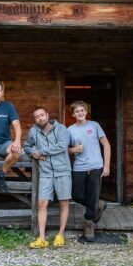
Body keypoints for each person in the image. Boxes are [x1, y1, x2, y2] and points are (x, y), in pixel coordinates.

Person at [24, 107, 72, 248]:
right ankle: (42, 238)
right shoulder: (34, 131)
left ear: (47, 115)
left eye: (42, 115)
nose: (40, 118)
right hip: (45, 173)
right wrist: (33, 152)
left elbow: (62, 146)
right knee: (42, 203)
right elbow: (26, 146)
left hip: (62, 170)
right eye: (37, 116)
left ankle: (60, 235)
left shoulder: (61, 128)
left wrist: (41, 151)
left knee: (63, 203)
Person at [67, 100, 111, 242]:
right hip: (79, 167)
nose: (80, 113)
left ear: (86, 111)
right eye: (77, 111)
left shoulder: (94, 125)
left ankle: (89, 223)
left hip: (95, 166)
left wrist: (106, 166)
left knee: (93, 193)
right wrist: (74, 150)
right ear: (73, 114)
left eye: (82, 110)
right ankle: (97, 205)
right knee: (76, 195)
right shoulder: (70, 130)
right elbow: (64, 149)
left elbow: (106, 145)